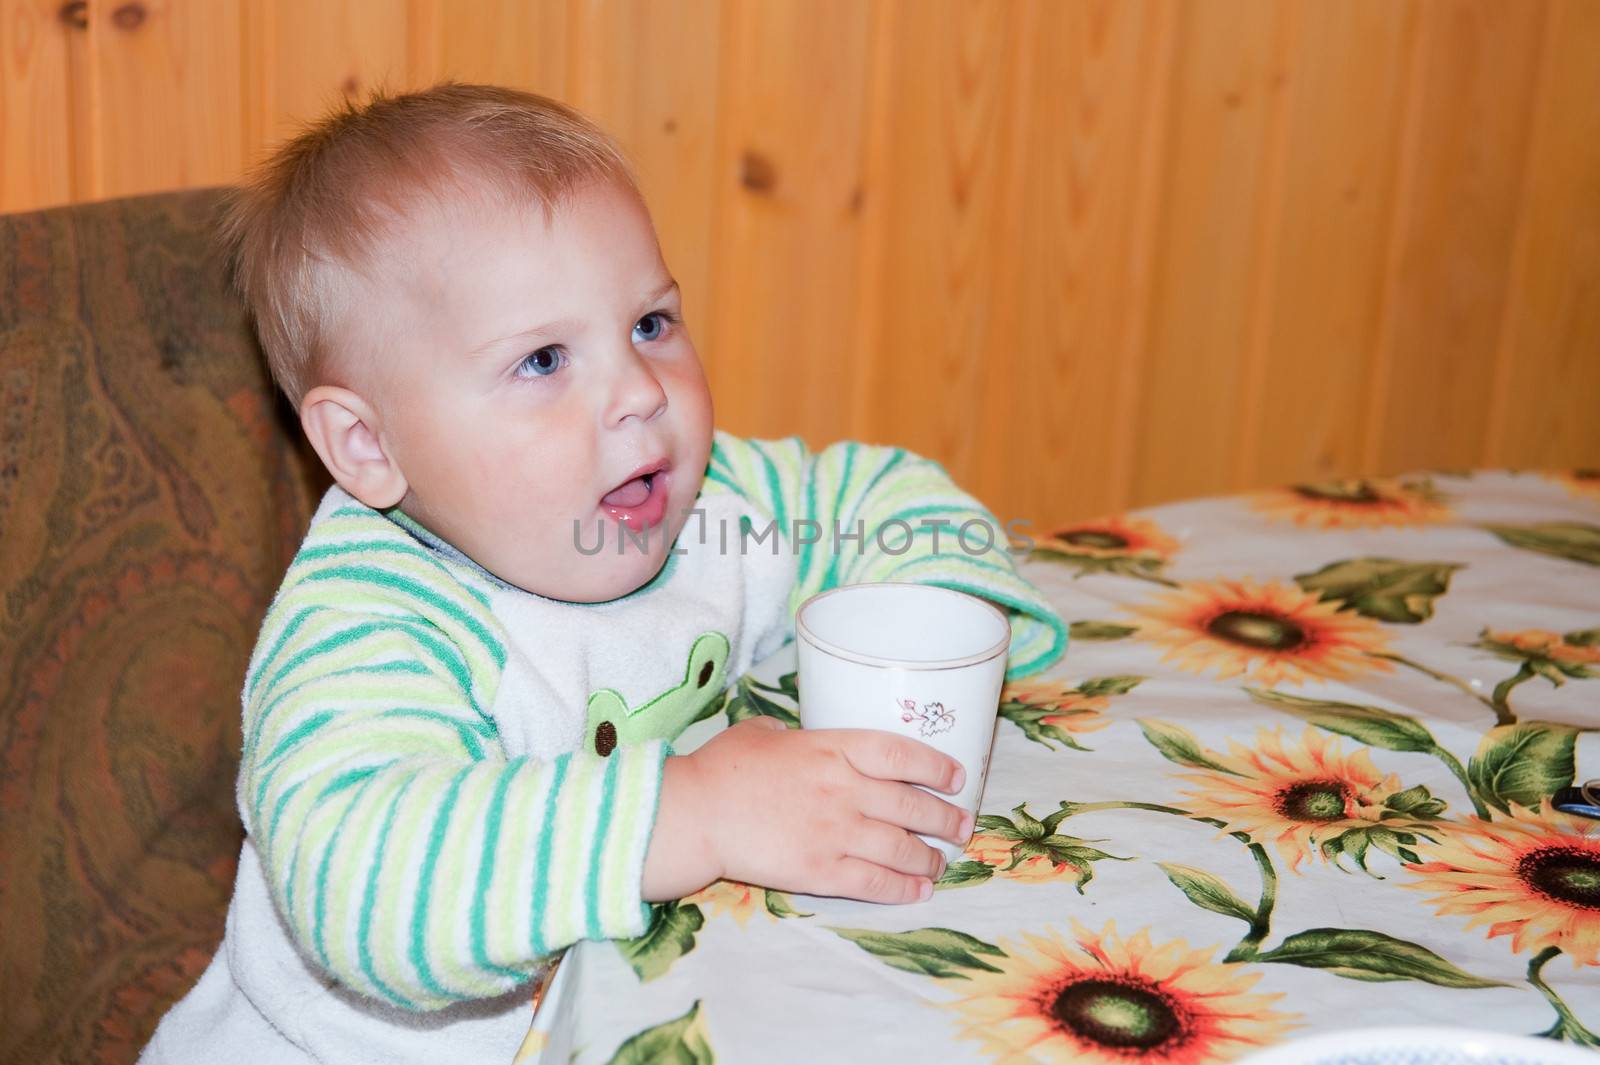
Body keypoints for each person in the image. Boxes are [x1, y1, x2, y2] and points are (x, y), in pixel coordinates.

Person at [140, 82, 1066, 1064]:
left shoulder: (706, 505)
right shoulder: (375, 619)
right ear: (367, 445)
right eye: (542, 360)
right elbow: (357, 877)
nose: (636, 391)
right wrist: (697, 811)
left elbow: (881, 500)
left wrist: (930, 618)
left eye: (650, 324)